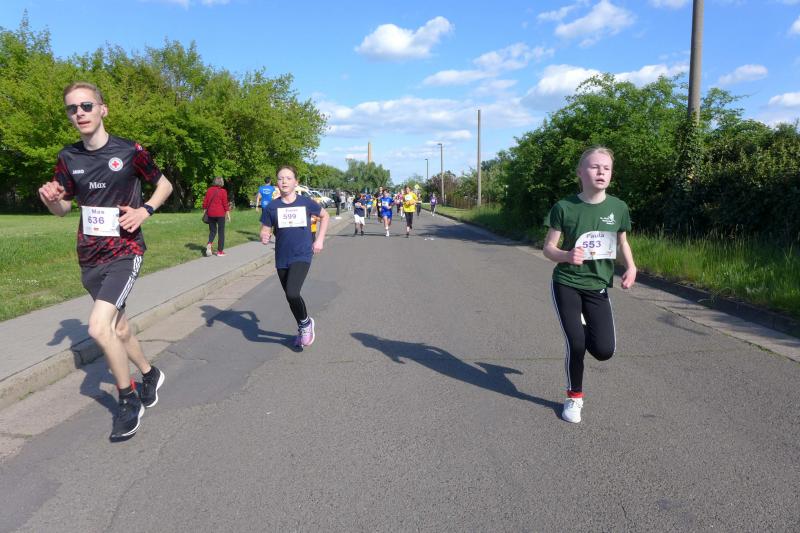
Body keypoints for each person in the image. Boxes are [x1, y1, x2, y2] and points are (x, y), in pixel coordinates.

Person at [38, 82, 173, 440]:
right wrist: (50, 199)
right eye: (72, 108)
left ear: (102, 109)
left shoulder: (129, 151)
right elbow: (63, 209)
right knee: (120, 329)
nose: (79, 113)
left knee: (99, 327)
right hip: (89, 256)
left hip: (124, 251)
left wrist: (145, 210)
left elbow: (165, 185)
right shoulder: (69, 157)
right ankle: (150, 374)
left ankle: (127, 399)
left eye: (86, 105)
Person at [542, 146, 637, 424]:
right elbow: (548, 248)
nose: (601, 172)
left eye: (606, 168)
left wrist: (631, 267)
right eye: (595, 167)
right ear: (580, 173)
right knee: (576, 344)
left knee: (604, 351)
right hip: (567, 283)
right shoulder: (564, 207)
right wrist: (566, 255)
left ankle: (581, 325)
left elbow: (622, 242)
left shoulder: (618, 207)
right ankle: (574, 398)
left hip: (598, 286)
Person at [260, 165, 329, 347]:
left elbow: (325, 216)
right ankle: (303, 325)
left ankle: (305, 324)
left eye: (288, 178)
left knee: (292, 292)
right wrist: (264, 235)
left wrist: (319, 240)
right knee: (290, 296)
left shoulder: (306, 202)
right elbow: (265, 228)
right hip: (282, 256)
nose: (284, 181)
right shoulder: (272, 207)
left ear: (296, 182)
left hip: (302, 253)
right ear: (277, 183)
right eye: (281, 178)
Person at [203, 176, 231, 257]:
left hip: (210, 213)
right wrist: (228, 214)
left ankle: (209, 244)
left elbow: (205, 202)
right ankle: (220, 252)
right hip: (220, 214)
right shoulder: (223, 191)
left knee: (212, 231)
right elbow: (225, 203)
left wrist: (204, 211)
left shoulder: (209, 190)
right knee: (221, 232)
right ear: (221, 182)